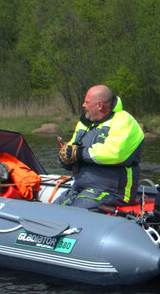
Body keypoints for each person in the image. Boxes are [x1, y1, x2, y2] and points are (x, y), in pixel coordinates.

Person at [57, 84, 144, 212]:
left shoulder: (124, 121)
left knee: (72, 214)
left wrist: (79, 153)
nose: (83, 105)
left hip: (112, 192)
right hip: (80, 188)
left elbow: (115, 153)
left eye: (87, 102)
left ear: (99, 105)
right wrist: (65, 158)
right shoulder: (83, 124)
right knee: (51, 210)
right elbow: (71, 148)